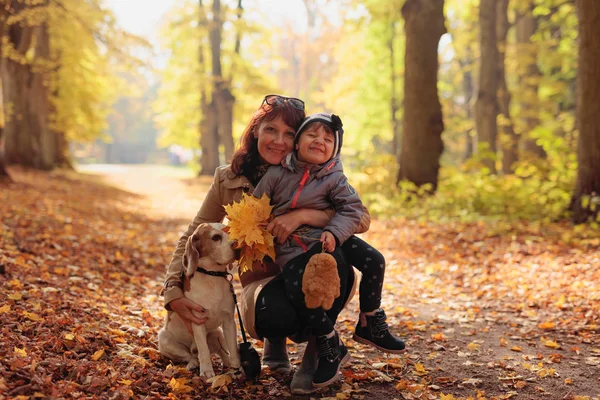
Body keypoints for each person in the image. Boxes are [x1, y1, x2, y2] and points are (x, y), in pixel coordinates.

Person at [161, 95, 364, 394]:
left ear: (299, 140)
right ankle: (275, 343)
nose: (279, 141)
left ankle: (319, 352)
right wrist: (173, 290)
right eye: (271, 130)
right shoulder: (226, 179)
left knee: (337, 265)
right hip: (263, 279)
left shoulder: (320, 171)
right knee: (271, 315)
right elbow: (192, 234)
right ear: (256, 129)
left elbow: (361, 218)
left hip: (310, 265)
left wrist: (304, 215)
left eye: (289, 134)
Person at [253, 113, 405, 387]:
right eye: (312, 135)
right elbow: (256, 208)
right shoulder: (277, 174)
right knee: (304, 293)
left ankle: (370, 320)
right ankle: (329, 341)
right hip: (294, 249)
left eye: (328, 138)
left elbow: (353, 209)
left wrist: (334, 232)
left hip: (330, 238)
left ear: (335, 149)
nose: (319, 141)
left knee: (374, 259)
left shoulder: (335, 177)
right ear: (297, 142)